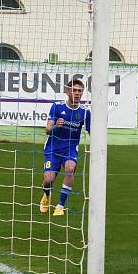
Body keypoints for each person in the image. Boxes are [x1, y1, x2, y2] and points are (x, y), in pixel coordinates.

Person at [40, 79, 90, 217]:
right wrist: (57, 126)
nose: (77, 93)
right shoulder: (57, 107)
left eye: (79, 91)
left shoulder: (85, 112)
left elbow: (93, 132)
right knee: (48, 180)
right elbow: (48, 130)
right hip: (53, 148)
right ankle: (46, 196)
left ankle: (60, 206)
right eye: (74, 90)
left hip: (70, 149)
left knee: (70, 169)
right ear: (68, 91)